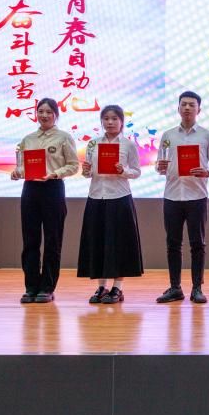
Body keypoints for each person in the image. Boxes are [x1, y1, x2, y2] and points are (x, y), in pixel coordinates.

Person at [155, 91, 209, 304]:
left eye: (191, 105)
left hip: (197, 196)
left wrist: (207, 171)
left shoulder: (207, 135)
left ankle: (197, 288)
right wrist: (160, 167)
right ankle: (175, 287)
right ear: (178, 108)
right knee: (172, 244)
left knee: (198, 244)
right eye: (183, 104)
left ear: (198, 109)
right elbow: (160, 165)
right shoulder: (168, 135)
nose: (187, 108)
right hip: (172, 195)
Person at [11, 97, 79, 303]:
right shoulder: (28, 139)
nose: (44, 115)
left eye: (49, 112)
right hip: (30, 190)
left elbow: (73, 165)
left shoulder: (64, 137)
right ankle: (31, 287)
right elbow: (22, 166)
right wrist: (17, 172)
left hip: (53, 189)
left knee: (52, 240)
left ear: (56, 115)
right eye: (41, 111)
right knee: (30, 241)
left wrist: (55, 174)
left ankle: (47, 288)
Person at [77, 105, 144, 304]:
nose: (110, 122)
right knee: (98, 242)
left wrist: (123, 171)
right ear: (101, 121)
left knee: (119, 244)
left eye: (114, 118)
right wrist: (86, 170)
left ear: (121, 121)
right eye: (106, 118)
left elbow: (136, 171)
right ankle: (101, 287)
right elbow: (88, 173)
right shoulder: (93, 144)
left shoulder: (128, 145)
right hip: (96, 197)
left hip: (119, 198)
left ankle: (117, 288)